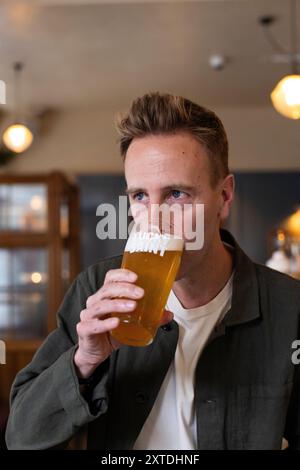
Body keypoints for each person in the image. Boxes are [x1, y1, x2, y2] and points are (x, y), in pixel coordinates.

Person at [5, 93, 300, 450]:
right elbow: (22, 435)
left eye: (176, 194)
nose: (155, 219)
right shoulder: (97, 289)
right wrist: (84, 360)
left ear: (224, 197)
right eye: (140, 196)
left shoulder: (289, 307)